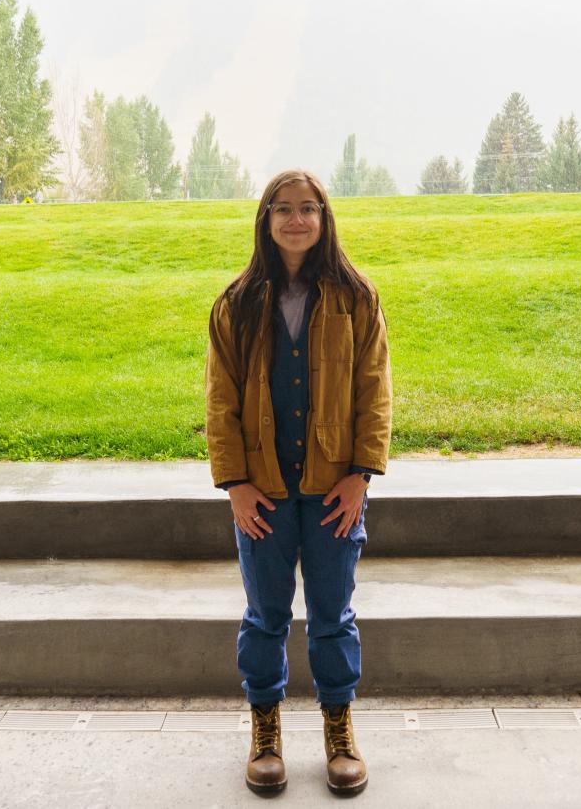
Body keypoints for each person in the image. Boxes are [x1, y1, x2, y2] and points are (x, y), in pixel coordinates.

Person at [205, 169, 392, 797]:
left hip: (334, 490)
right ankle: (265, 731)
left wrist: (361, 475)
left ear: (324, 217)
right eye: (282, 209)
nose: (295, 219)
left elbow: (375, 394)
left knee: (333, 616)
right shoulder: (236, 305)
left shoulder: (357, 299)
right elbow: (220, 403)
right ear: (265, 219)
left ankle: (339, 730)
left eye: (307, 208)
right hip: (261, 492)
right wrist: (236, 485)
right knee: (265, 616)